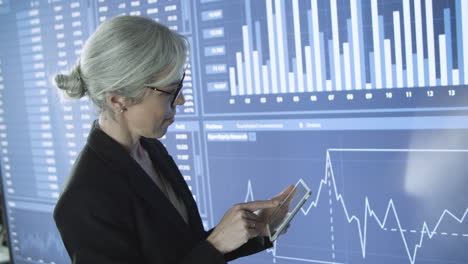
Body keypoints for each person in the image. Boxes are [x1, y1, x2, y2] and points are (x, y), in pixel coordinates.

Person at [53, 15, 293, 263]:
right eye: (170, 91)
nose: (181, 100)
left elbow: (181, 251)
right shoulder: (83, 200)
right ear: (117, 100)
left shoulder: (150, 150)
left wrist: (257, 231)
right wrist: (216, 244)